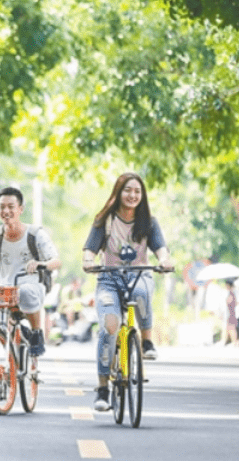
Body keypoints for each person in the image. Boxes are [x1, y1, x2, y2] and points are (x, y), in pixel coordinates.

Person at [80, 172, 173, 412]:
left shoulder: (149, 222)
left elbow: (161, 249)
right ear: (118, 192)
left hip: (138, 275)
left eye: (137, 191)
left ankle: (147, 342)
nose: (132, 195)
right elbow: (89, 249)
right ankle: (102, 388)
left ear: (142, 196)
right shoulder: (105, 220)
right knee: (110, 327)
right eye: (127, 190)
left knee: (141, 294)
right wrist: (89, 260)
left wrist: (165, 260)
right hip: (109, 279)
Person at [0, 186, 62, 357]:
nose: (6, 211)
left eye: (11, 206)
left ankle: (37, 332)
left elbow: (56, 261)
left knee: (25, 292)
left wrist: (40, 264)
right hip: (2, 291)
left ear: (20, 209)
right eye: (2, 207)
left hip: (31, 286)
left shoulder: (35, 234)